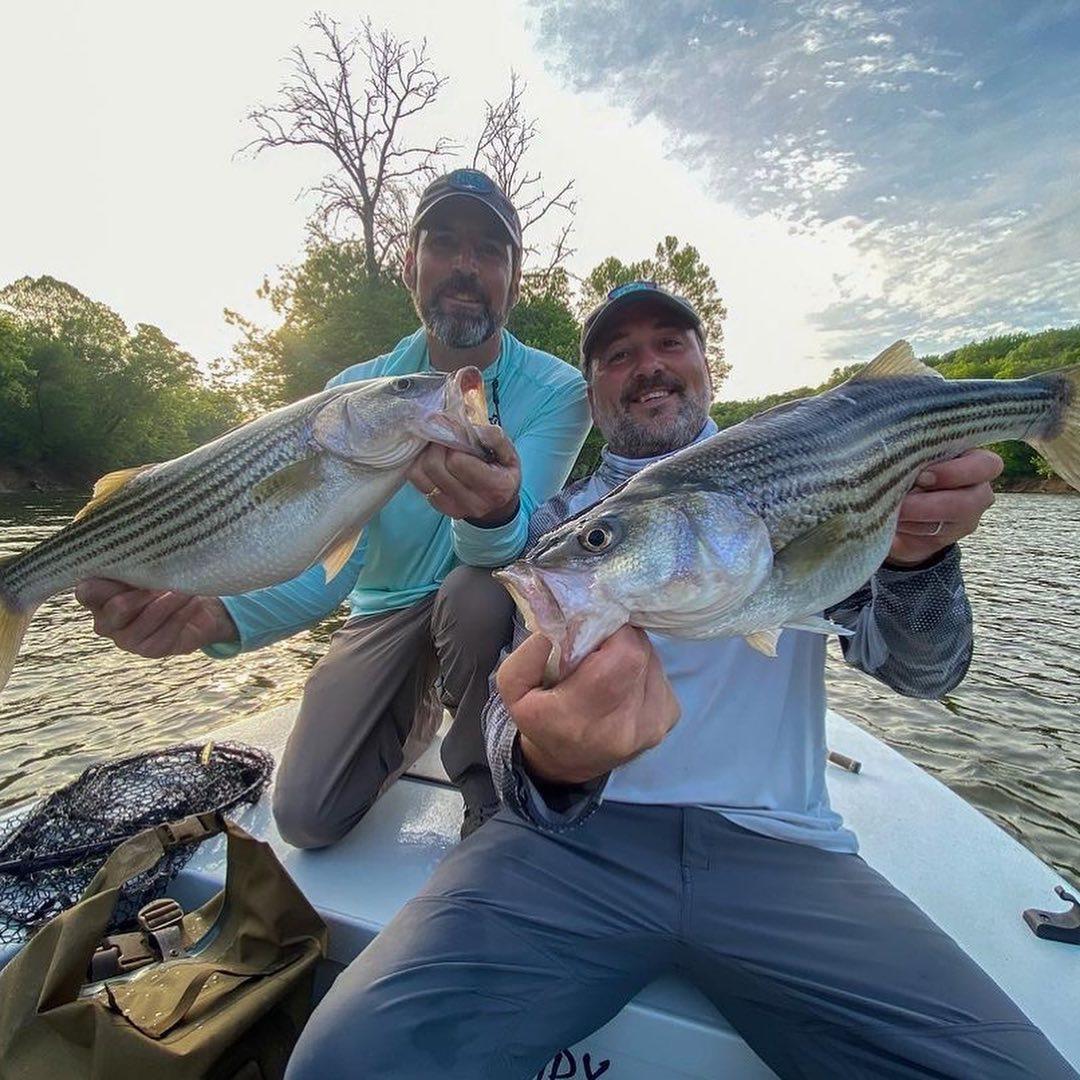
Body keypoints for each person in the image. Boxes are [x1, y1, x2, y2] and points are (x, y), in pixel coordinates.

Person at [285, 282, 1076, 1078]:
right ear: (592, 393)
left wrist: (922, 555)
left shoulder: (812, 466)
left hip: (784, 854)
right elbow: (500, 713)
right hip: (573, 851)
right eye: (617, 355)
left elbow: (925, 674)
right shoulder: (564, 529)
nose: (648, 367)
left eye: (671, 342)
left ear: (706, 364)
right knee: (344, 1060)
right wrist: (549, 764)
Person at [74, 169, 591, 844]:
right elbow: (339, 566)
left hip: (490, 611)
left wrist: (490, 513)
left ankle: (490, 799)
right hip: (385, 611)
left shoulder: (559, 389)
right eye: (443, 244)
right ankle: (413, 714)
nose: (465, 267)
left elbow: (513, 545)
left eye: (490, 251)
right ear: (410, 265)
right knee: (308, 817)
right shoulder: (352, 392)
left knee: (476, 592)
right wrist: (219, 614)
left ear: (515, 280)